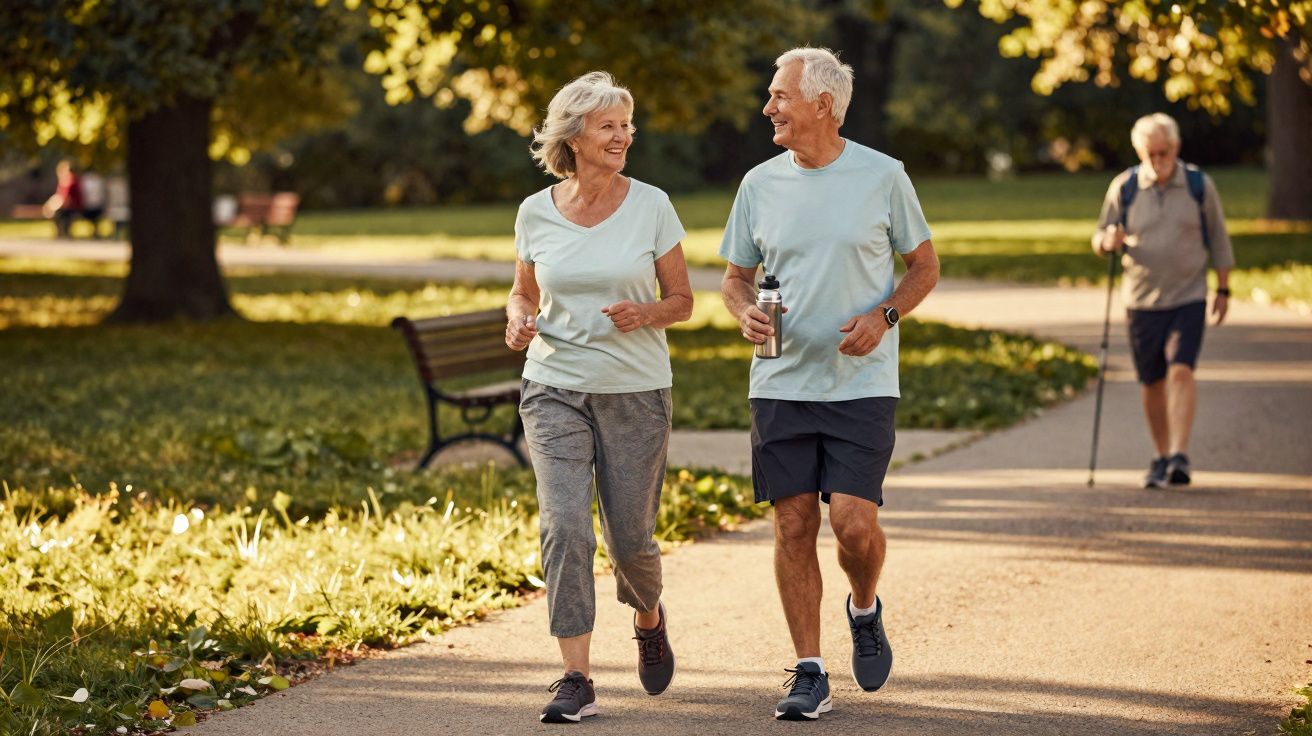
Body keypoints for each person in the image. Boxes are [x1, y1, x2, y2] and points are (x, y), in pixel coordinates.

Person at [719, 47, 939, 721]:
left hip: (861, 383)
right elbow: (734, 278)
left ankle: (864, 607)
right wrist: (743, 310)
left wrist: (885, 313)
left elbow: (924, 267)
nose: (768, 108)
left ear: (823, 103)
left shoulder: (883, 176)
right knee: (792, 522)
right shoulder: (758, 184)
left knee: (852, 523)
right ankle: (810, 670)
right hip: (781, 381)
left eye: (779, 96)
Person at [504, 71, 694, 724]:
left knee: (631, 541)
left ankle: (648, 616)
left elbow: (683, 302)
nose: (624, 136)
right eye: (610, 125)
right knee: (564, 528)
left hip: (634, 393)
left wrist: (647, 314)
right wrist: (517, 314)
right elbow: (524, 289)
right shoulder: (535, 212)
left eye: (627, 125)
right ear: (575, 136)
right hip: (554, 387)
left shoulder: (652, 205)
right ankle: (575, 677)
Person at [1092, 113, 1235, 489]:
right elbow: (1099, 235)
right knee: (1152, 381)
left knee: (1181, 369)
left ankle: (1179, 454)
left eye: (1164, 151)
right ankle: (1159, 455)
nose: (1158, 160)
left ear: (1176, 147)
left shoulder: (1198, 185)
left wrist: (1223, 288)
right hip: (1141, 300)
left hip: (1188, 296)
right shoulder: (1125, 187)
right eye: (1151, 154)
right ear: (1141, 152)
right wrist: (1108, 242)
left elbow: (1219, 239)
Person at [42, 160, 83, 239]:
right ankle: (62, 232)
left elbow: (67, 199)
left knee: (59, 213)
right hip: (68, 206)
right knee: (58, 212)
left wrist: (52, 207)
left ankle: (63, 233)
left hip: (72, 207)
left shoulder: (69, 180)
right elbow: (59, 196)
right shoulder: (65, 180)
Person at [80, 168, 106, 238]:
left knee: (95, 219)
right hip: (92, 204)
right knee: (93, 219)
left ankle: (94, 232)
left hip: (94, 204)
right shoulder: (95, 180)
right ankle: (94, 232)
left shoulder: (88, 180)